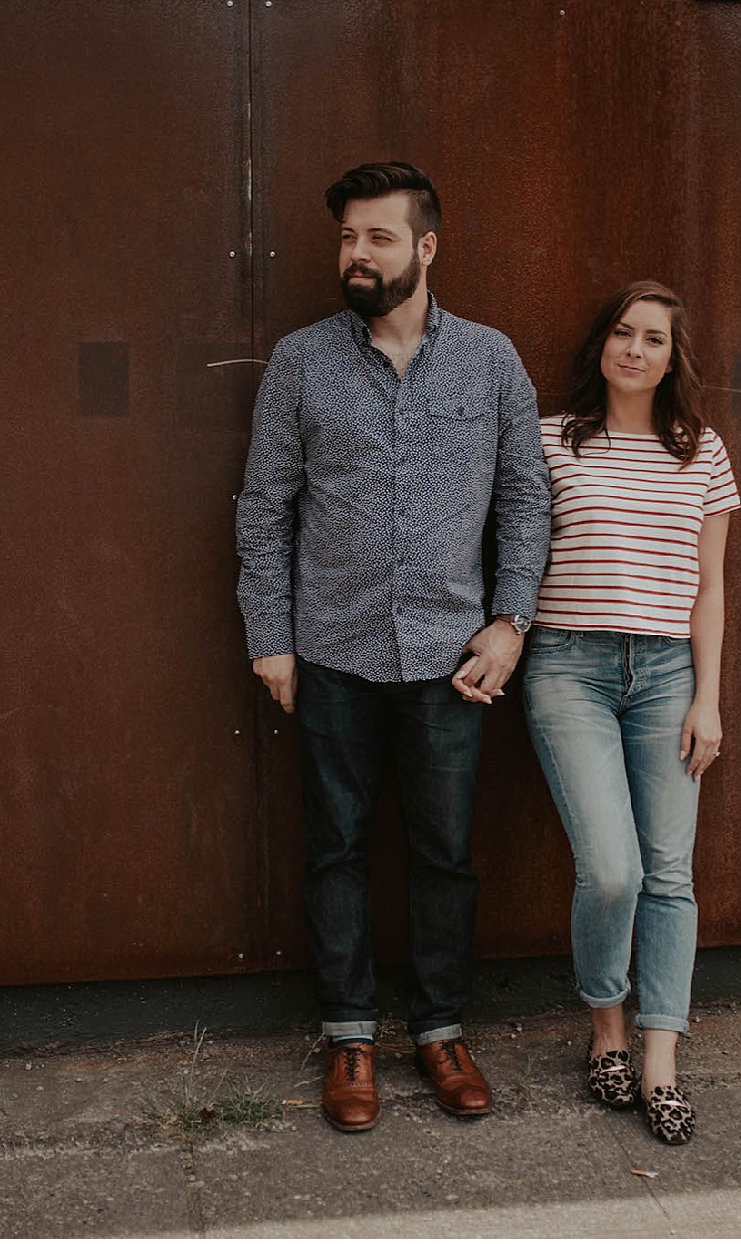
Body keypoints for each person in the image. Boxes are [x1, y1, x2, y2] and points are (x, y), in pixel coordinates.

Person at [235, 161, 551, 1133]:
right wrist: (270, 639)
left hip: (452, 659)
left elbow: (527, 499)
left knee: (444, 852)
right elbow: (263, 508)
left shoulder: (491, 361)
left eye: (375, 237)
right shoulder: (300, 360)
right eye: (345, 238)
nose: (355, 254)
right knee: (334, 848)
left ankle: (441, 1028)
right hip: (328, 650)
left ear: (424, 247)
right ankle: (348, 1036)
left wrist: (510, 622)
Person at [520, 280, 738, 1146]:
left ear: (671, 358)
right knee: (612, 870)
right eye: (622, 332)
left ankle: (658, 1060)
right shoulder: (550, 441)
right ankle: (604, 1024)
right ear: (602, 345)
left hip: (667, 675)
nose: (635, 350)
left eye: (653, 339)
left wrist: (708, 698)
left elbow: (712, 589)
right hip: (568, 666)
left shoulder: (704, 452)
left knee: (669, 872)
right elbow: (514, 555)